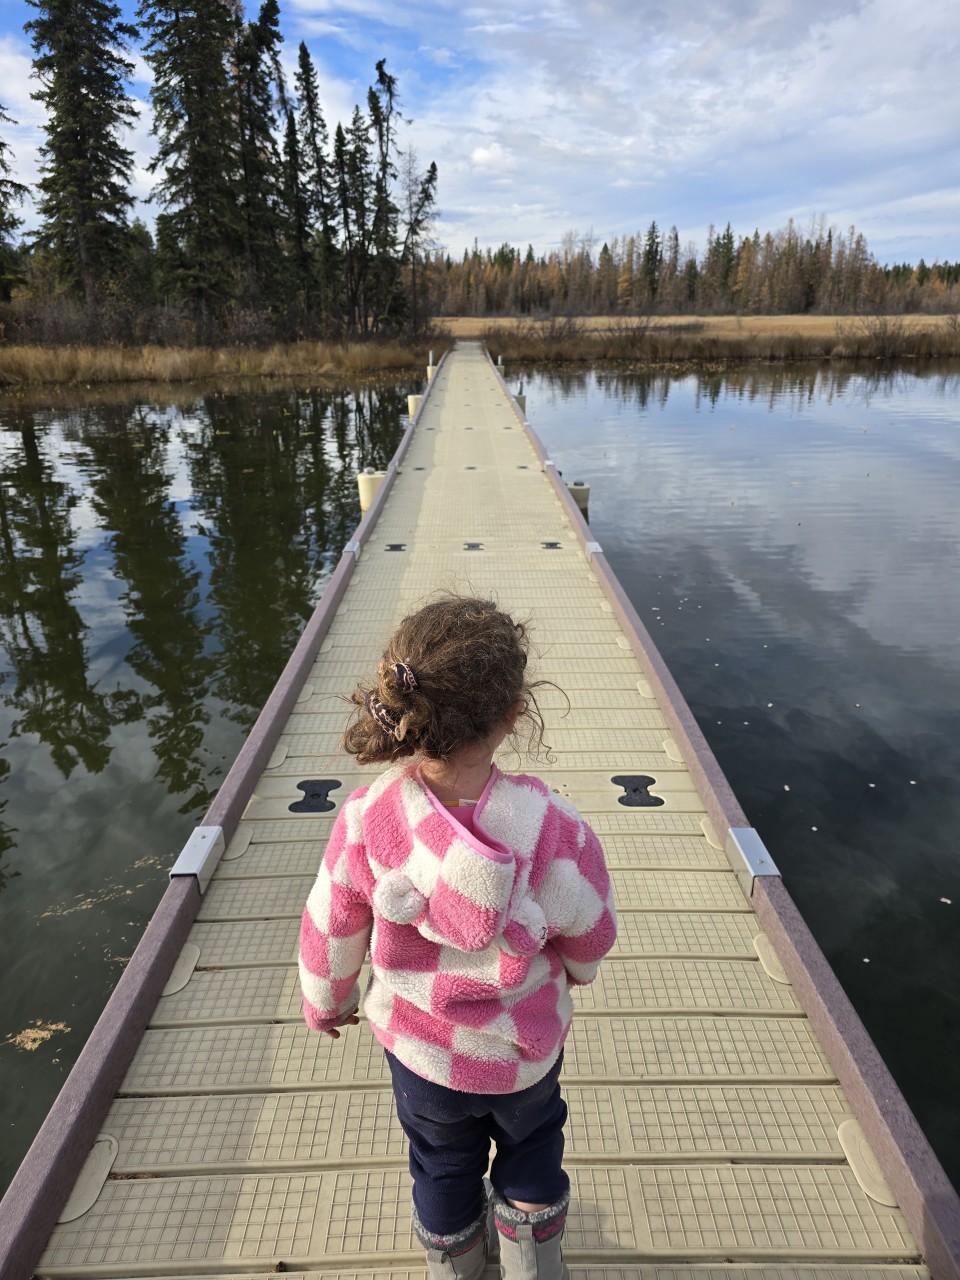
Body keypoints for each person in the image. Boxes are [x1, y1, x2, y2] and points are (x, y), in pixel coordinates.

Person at [299, 594, 617, 1279]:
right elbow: (590, 931)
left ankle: (458, 1269)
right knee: (534, 1150)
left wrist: (327, 1002)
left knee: (441, 1166)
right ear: (513, 714)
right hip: (524, 1049)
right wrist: (578, 976)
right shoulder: (554, 825)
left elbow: (330, 925)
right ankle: (535, 1266)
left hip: (424, 1053)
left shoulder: (368, 818)